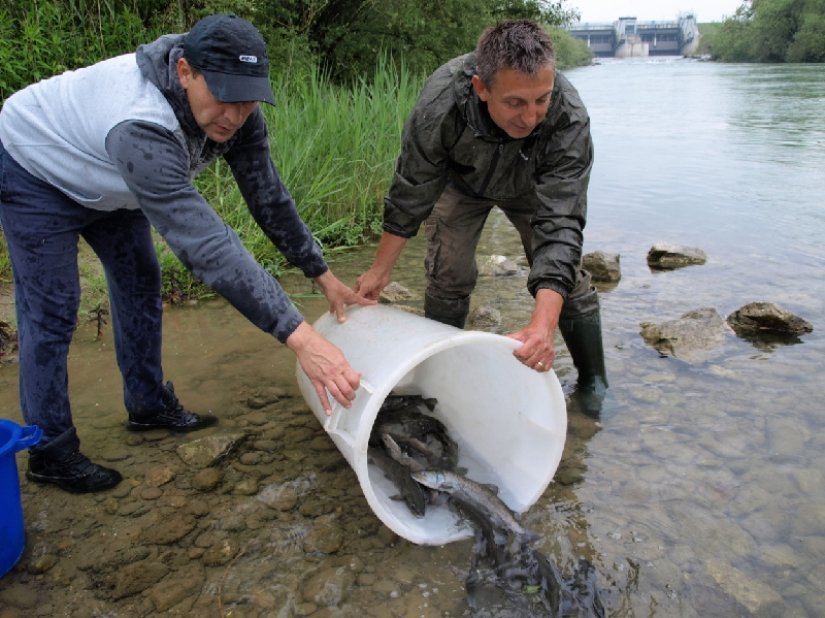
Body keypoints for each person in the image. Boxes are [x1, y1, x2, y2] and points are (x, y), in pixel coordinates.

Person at [0, 14, 374, 494]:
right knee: (52, 311)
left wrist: (322, 275)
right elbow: (208, 247)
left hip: (114, 182)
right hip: (37, 170)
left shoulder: (237, 112)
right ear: (184, 71)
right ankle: (51, 451)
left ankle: (148, 404)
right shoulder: (141, 122)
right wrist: (302, 340)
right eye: (222, 96)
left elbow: (268, 197)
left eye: (246, 100)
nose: (233, 116)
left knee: (140, 283)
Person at [356, 19, 608, 417]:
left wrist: (541, 327)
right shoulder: (442, 101)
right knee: (448, 272)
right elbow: (412, 189)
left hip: (534, 188)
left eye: (541, 99)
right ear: (481, 87)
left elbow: (561, 222)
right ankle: (444, 380)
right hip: (462, 185)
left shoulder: (568, 115)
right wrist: (379, 271)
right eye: (515, 103)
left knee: (565, 277)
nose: (530, 117)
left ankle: (594, 377)